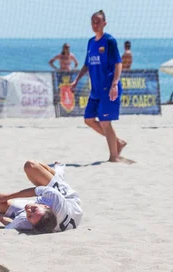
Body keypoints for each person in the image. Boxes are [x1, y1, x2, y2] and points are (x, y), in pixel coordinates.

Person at [70, 10, 128, 163]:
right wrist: (76, 81)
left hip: (108, 88)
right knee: (88, 119)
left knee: (105, 121)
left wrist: (114, 83)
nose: (95, 25)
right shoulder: (91, 42)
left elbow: (118, 63)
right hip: (95, 89)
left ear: (104, 23)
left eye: (98, 22)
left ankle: (114, 156)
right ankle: (118, 142)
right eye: (93, 22)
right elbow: (86, 64)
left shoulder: (109, 41)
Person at [0, 160, 83, 233]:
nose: (28, 209)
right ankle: (57, 173)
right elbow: (34, 191)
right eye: (33, 209)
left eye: (29, 215)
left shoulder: (30, 223)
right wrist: (8, 196)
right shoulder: (55, 198)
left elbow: (10, 224)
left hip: (50, 215)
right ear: (46, 205)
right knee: (30, 166)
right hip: (68, 199)